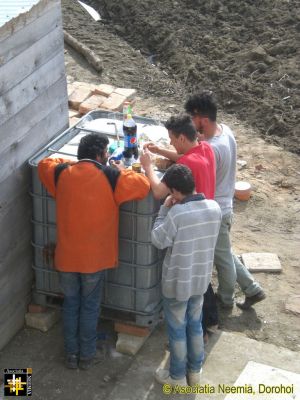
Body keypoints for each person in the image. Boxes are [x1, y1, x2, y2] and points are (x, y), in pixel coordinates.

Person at [38, 133, 150, 370]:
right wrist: (119, 168)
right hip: (94, 260)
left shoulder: (61, 174)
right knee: (89, 307)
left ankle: (71, 355)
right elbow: (143, 185)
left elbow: (44, 164)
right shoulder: (111, 177)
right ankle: (87, 356)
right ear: (101, 155)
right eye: (107, 152)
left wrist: (69, 165)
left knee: (71, 304)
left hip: (67, 258)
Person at [184, 91, 266, 309]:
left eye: (192, 119)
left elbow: (190, 160)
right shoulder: (225, 131)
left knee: (222, 259)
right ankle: (252, 289)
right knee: (224, 251)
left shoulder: (211, 148)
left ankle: (226, 299)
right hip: (226, 203)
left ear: (201, 118)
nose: (191, 124)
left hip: (217, 210)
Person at [140, 113, 219, 334]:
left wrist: (147, 166)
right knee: (201, 273)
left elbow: (157, 192)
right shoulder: (205, 148)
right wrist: (160, 151)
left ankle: (200, 329)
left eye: (172, 140)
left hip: (188, 221)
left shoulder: (184, 163)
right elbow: (185, 157)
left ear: (182, 138)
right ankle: (210, 322)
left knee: (190, 280)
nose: (172, 143)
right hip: (207, 216)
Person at [151, 164, 221, 386]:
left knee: (177, 330)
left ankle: (177, 376)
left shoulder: (177, 213)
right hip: (200, 280)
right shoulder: (214, 208)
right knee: (195, 325)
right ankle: (195, 372)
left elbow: (158, 239)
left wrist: (164, 210)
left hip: (177, 283)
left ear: (174, 191)